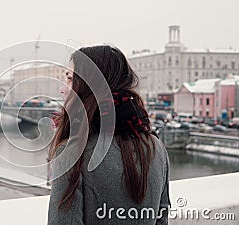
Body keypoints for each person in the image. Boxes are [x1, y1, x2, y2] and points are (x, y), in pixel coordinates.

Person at [47, 45, 171, 225]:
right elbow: (162, 217)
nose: (62, 89)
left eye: (70, 79)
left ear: (88, 85)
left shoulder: (73, 153)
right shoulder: (155, 147)